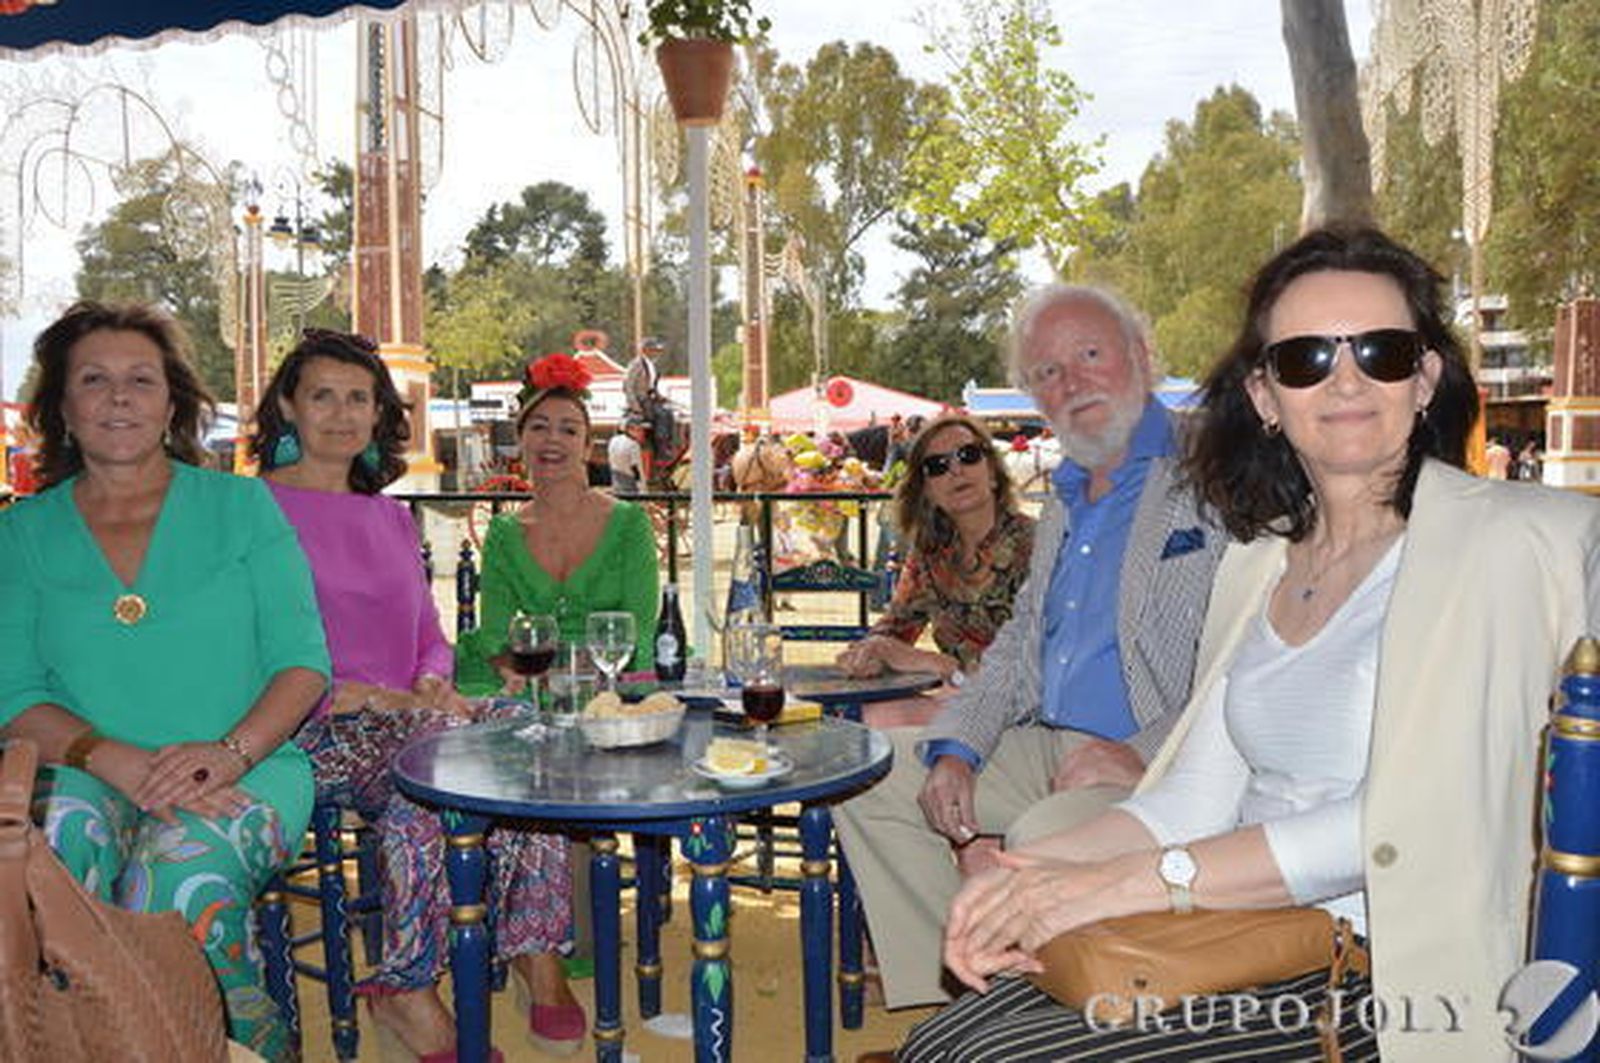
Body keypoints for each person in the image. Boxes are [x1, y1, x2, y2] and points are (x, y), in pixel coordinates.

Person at [901, 226, 1600, 1062]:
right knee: (942, 1041)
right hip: (1251, 935)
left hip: (1399, 976)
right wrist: (1015, 879)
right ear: (1267, 396)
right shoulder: (1259, 562)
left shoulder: (1522, 542)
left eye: (1379, 350)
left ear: (1426, 377)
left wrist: (1116, 885)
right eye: (1307, 358)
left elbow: (1409, 815)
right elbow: (1190, 799)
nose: (1345, 378)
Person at [832, 285, 1224, 1010]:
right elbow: (1018, 648)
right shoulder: (1069, 493)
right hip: (1047, 738)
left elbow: (1260, 649)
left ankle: (1029, 1022)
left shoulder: (1217, 472)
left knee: (1038, 838)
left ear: (1141, 356)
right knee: (868, 779)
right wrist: (956, 749)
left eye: (1090, 354)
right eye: (1046, 371)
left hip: (1169, 757)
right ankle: (957, 1009)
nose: (1069, 381)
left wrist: (1149, 749)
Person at [0, 301, 330, 1060]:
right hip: (85, 766)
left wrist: (229, 752)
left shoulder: (243, 505)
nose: (119, 396)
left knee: (174, 883)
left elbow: (302, 661)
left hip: (245, 764)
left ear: (172, 400)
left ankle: (244, 1050)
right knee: (52, 853)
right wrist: (116, 758)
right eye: (95, 379)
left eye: (140, 379)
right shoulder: (19, 533)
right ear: (62, 407)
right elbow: (13, 694)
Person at [252, 329, 583, 1058]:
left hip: (409, 716)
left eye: (358, 398)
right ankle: (406, 984)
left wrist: (432, 677)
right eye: (322, 396)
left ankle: (533, 945)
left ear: (378, 415)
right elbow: (252, 651)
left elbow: (428, 628)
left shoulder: (390, 515)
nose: (342, 413)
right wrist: (379, 697)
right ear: (288, 407)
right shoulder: (254, 512)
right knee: (425, 785)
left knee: (528, 731)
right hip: (313, 723)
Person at [456, 353, 659, 694]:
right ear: (521, 443)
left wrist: (591, 671)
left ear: (586, 447)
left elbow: (639, 631)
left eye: (568, 429)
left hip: (614, 687)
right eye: (538, 427)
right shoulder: (504, 534)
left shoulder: (629, 523)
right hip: (534, 691)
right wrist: (510, 668)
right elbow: (494, 636)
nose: (553, 439)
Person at [836, 414, 1035, 728]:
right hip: (966, 705)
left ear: (993, 473)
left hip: (1031, 721)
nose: (956, 470)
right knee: (861, 716)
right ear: (927, 491)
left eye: (968, 456)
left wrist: (937, 664)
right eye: (937, 466)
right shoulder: (931, 554)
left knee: (883, 720)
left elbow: (1041, 671)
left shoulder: (1040, 547)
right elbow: (895, 627)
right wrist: (868, 651)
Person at [622, 335, 674, 482]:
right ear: (645, 350)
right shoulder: (636, 365)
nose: (656, 353)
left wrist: (659, 396)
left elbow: (651, 387)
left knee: (669, 413)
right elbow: (628, 387)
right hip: (641, 401)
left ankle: (667, 444)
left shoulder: (651, 366)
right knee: (662, 415)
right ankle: (661, 451)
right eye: (654, 350)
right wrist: (635, 407)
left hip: (650, 399)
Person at [607, 421, 643, 494]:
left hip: (615, 475)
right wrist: (640, 485)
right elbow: (634, 467)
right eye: (638, 430)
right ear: (630, 430)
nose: (640, 433)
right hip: (629, 478)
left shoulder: (613, 440)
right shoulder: (633, 444)